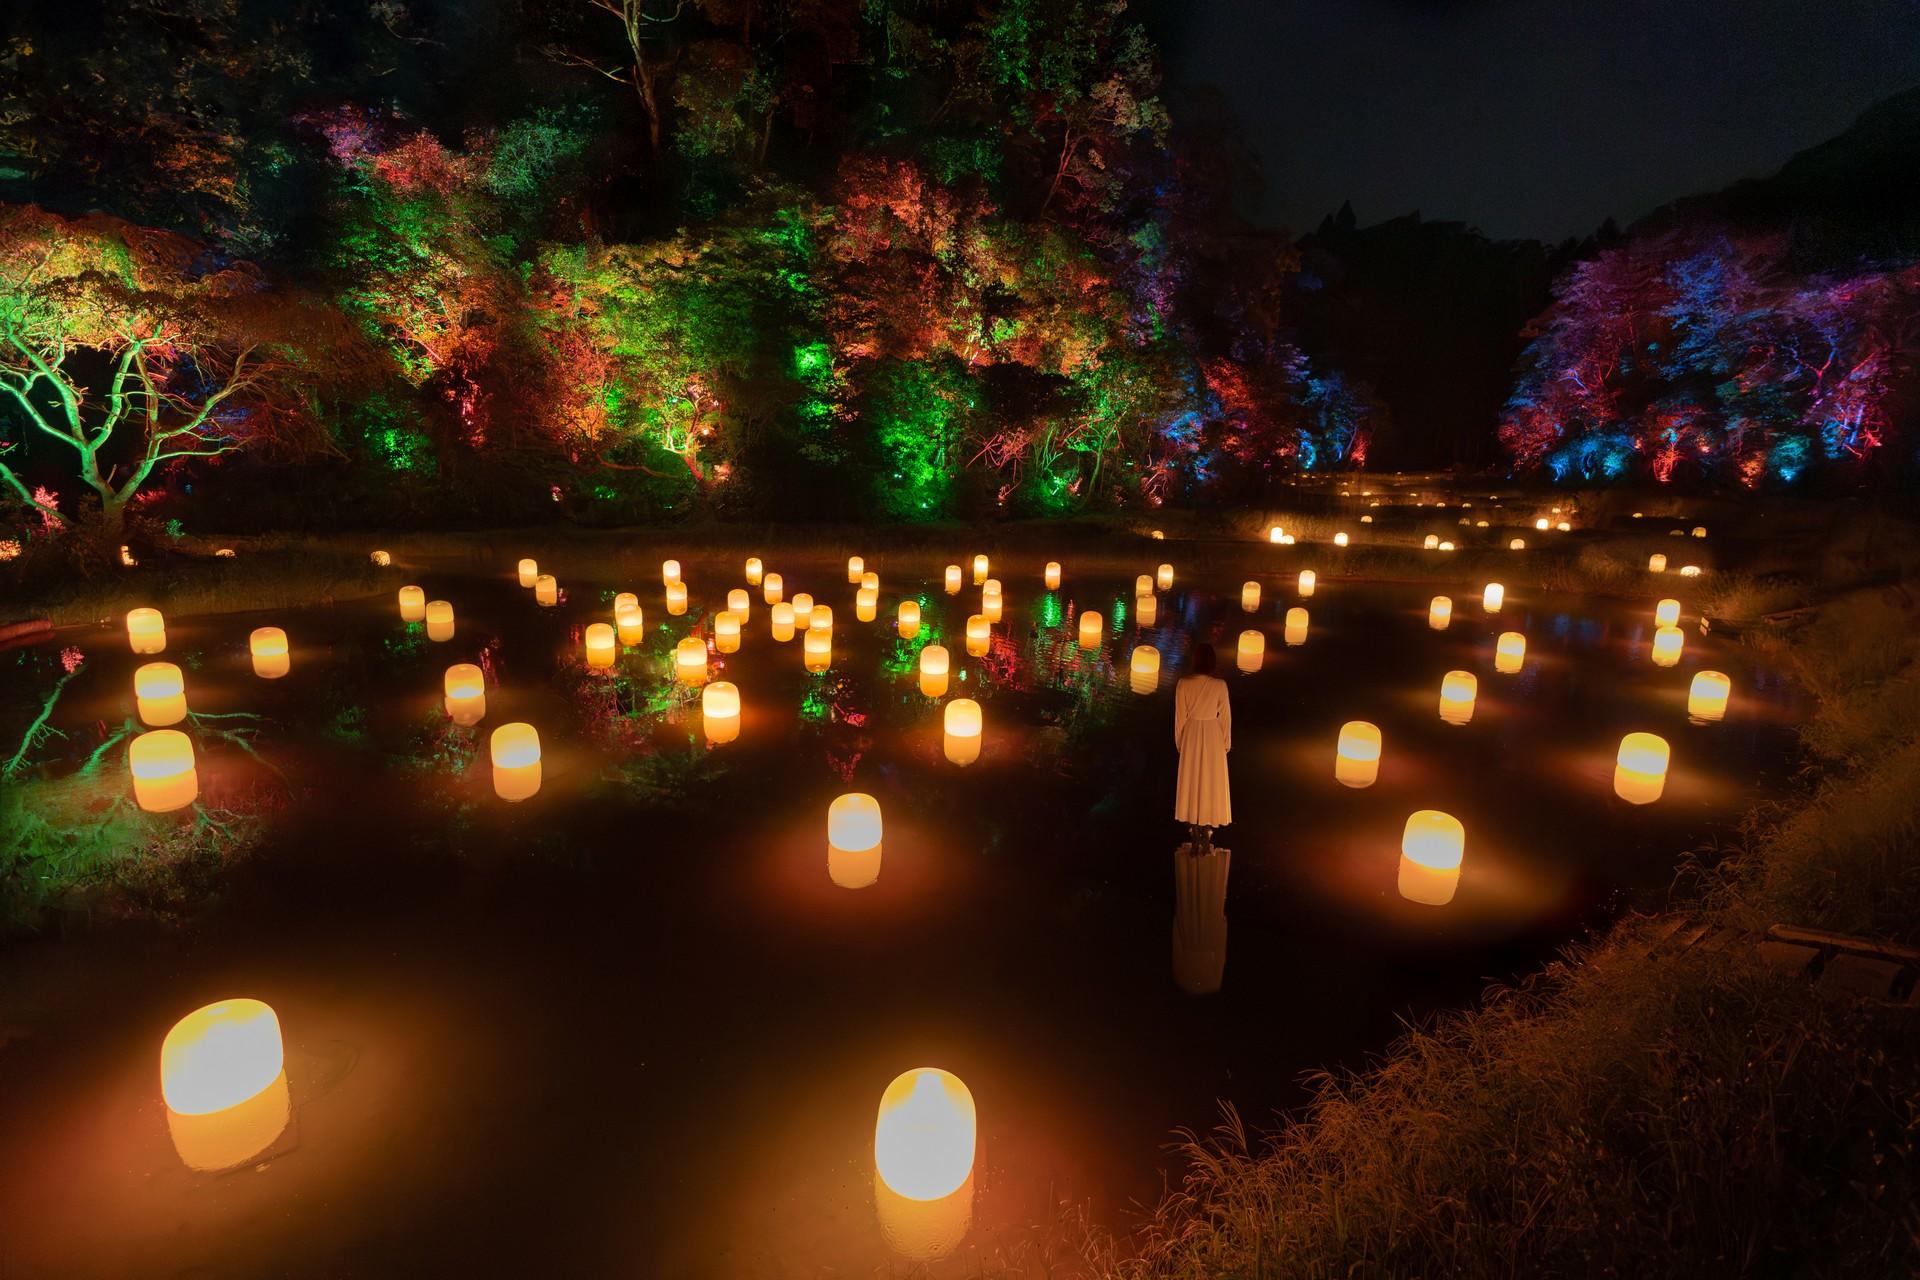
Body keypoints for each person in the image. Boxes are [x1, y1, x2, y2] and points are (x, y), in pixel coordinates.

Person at [1174, 641, 1232, 850]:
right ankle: (1206, 827)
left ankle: (1194, 826)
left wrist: (1180, 742)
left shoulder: (1183, 683)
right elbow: (1225, 717)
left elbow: (1180, 717)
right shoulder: (1220, 685)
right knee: (1210, 777)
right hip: (1213, 734)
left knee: (1192, 777)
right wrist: (1225, 743)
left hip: (1191, 733)